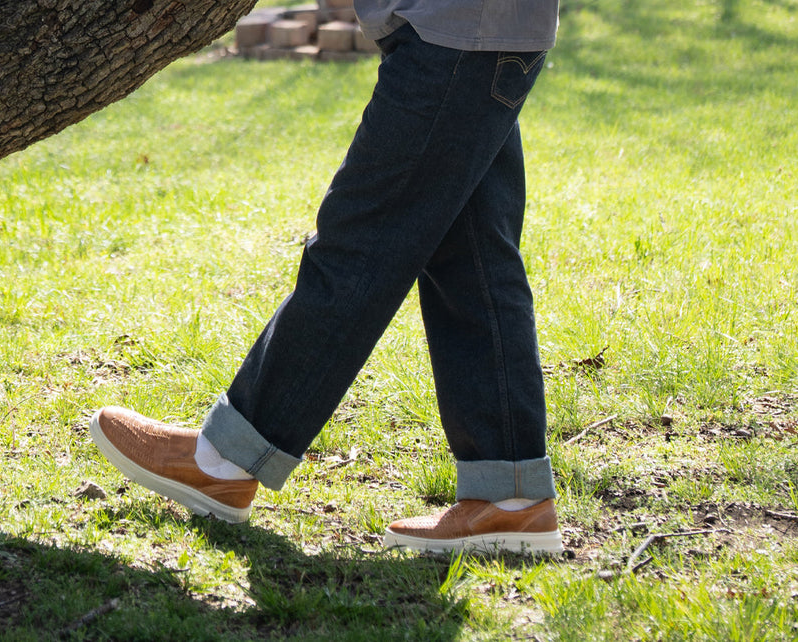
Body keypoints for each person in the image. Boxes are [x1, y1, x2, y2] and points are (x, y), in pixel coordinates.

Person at [90, 0, 563, 554]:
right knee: (474, 256)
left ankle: (224, 460)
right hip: (477, 32)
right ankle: (509, 498)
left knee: (359, 242)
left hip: (458, 31)